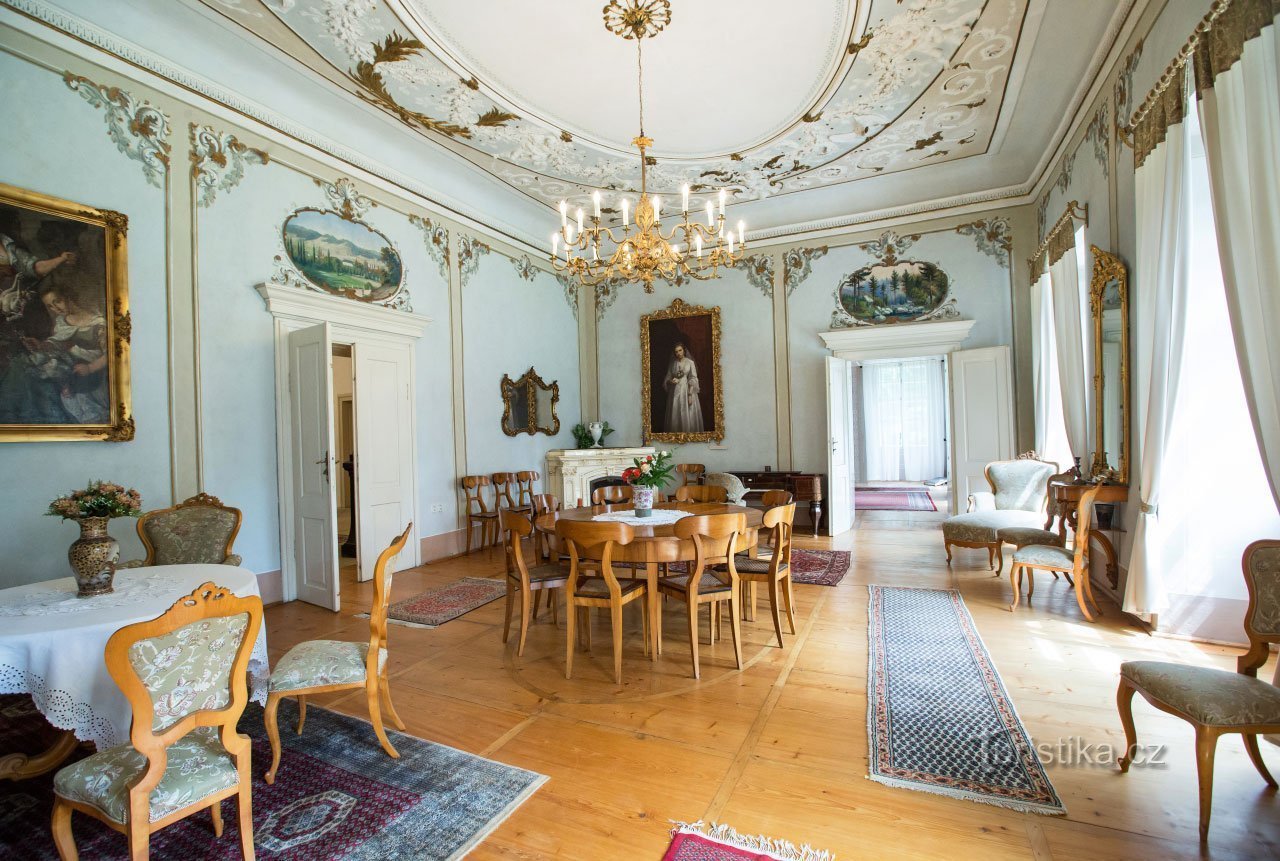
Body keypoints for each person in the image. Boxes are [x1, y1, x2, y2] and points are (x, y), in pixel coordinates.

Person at [663, 342, 704, 433]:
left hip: (687, 390)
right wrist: (671, 381)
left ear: (684, 351)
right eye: (676, 351)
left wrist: (690, 395)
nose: (678, 353)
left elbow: (693, 378)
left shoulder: (690, 362)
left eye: (680, 350)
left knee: (687, 412)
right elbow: (668, 377)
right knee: (675, 413)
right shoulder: (673, 363)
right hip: (675, 391)